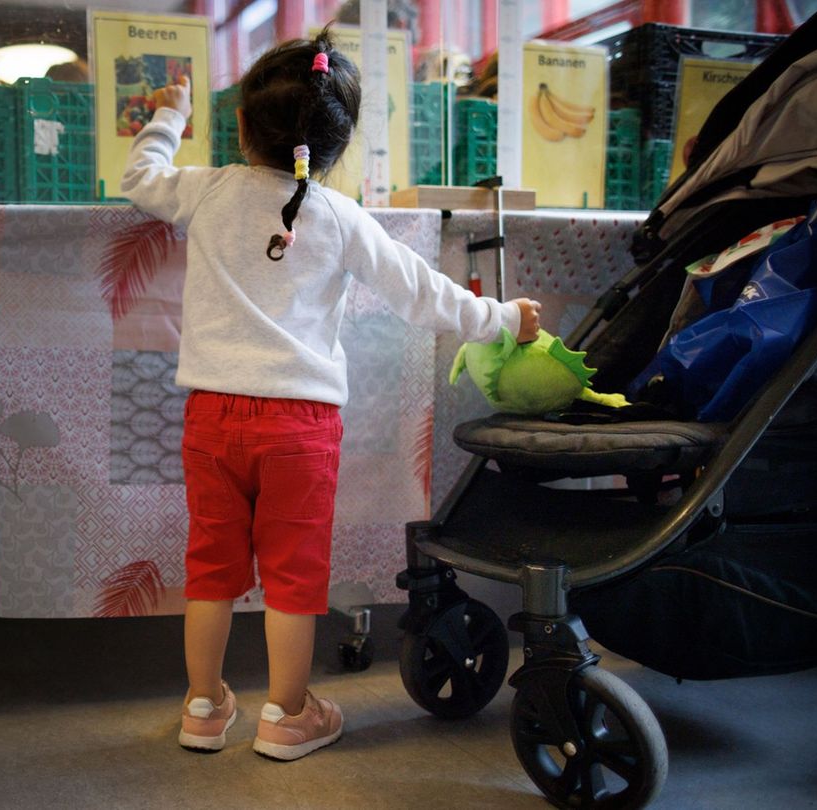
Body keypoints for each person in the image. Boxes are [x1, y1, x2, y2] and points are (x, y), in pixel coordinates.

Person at [120, 29, 541, 761]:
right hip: (301, 428)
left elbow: (141, 177)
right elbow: (424, 295)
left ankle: (201, 706)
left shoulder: (208, 191)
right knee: (291, 576)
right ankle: (286, 714)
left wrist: (171, 115)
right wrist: (503, 318)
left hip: (213, 418)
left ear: (243, 126)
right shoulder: (341, 218)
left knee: (210, 567)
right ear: (335, 147)